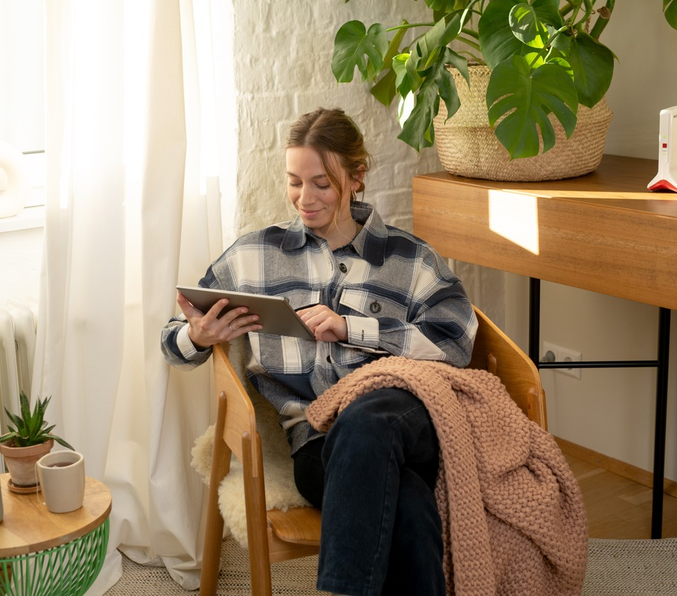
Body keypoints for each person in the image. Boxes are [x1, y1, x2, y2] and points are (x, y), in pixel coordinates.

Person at [161, 107, 478, 596]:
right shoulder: (253, 257)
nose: (304, 199)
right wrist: (198, 336)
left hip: (404, 421)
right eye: (294, 182)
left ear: (356, 178)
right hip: (316, 442)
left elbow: (455, 340)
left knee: (370, 416)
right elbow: (173, 340)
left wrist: (353, 327)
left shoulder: (409, 259)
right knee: (410, 505)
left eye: (321, 184)